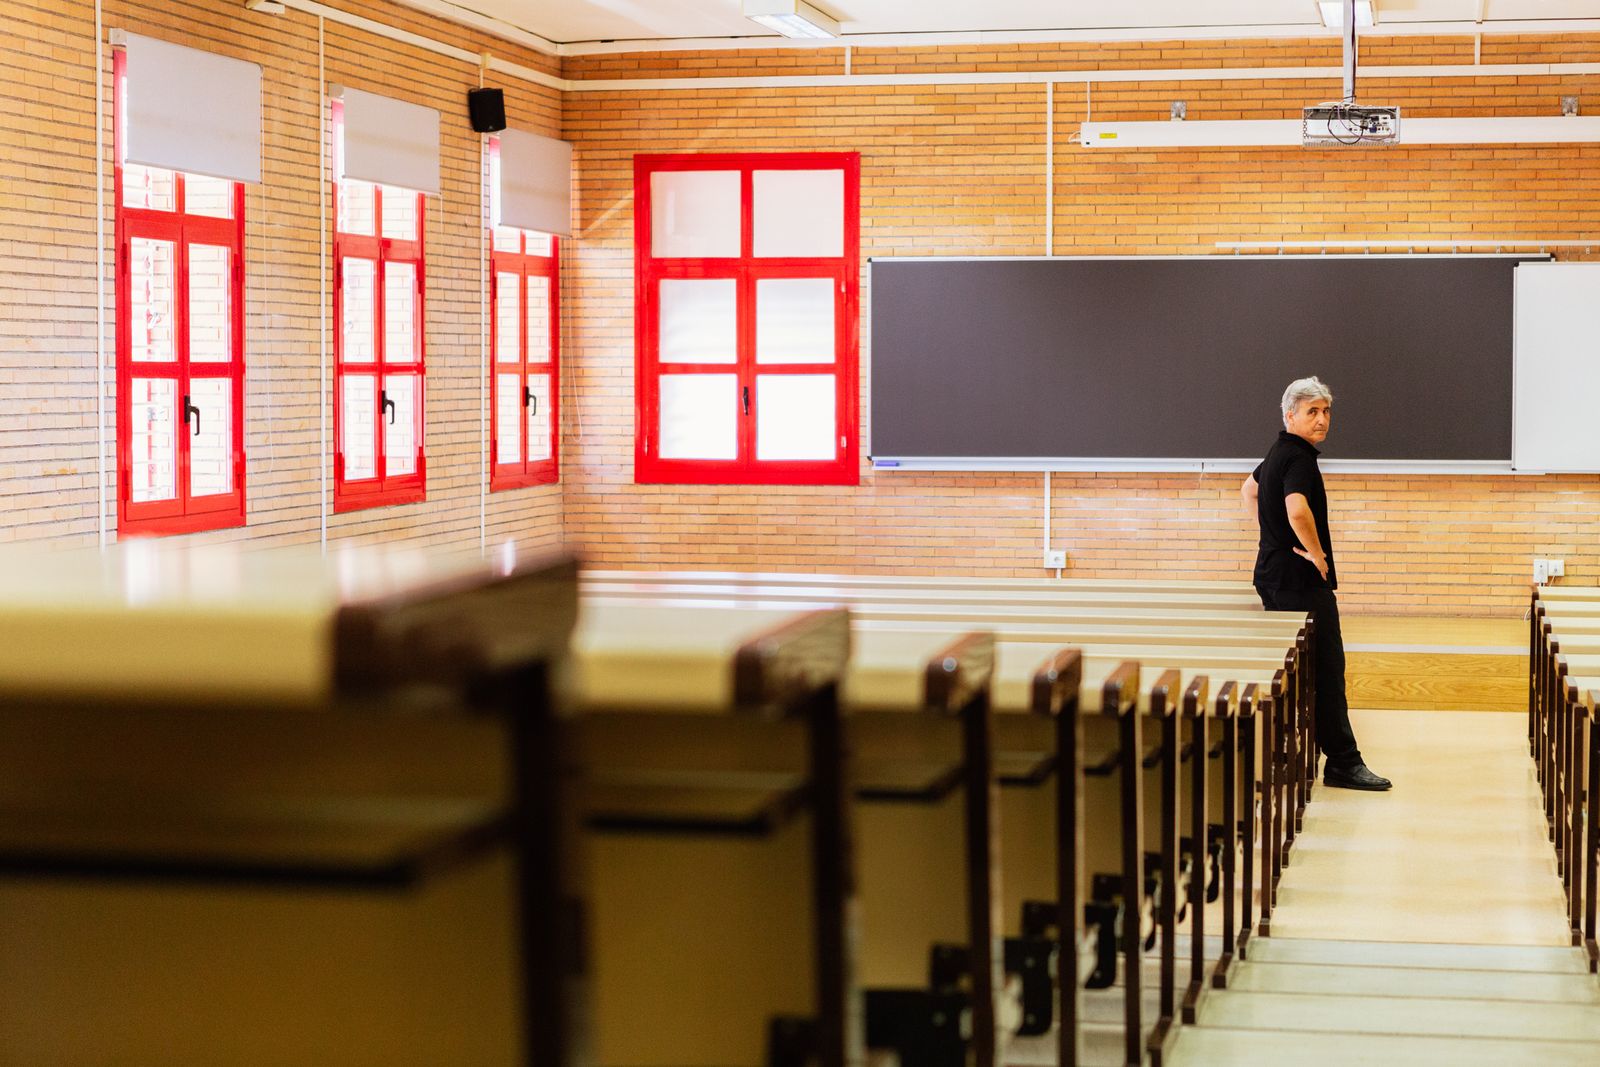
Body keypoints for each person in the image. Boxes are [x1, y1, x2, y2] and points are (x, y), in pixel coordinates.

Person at [1241, 377, 1391, 791]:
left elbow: (1248, 491)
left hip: (1273, 576)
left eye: (1326, 411)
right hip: (1300, 582)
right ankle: (1343, 762)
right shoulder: (1299, 459)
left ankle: (1288, 752)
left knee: (1298, 668)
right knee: (1327, 670)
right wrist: (1317, 553)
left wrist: (1270, 538)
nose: (1322, 419)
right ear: (1290, 415)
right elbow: (1297, 509)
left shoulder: (1277, 453)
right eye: (1312, 411)